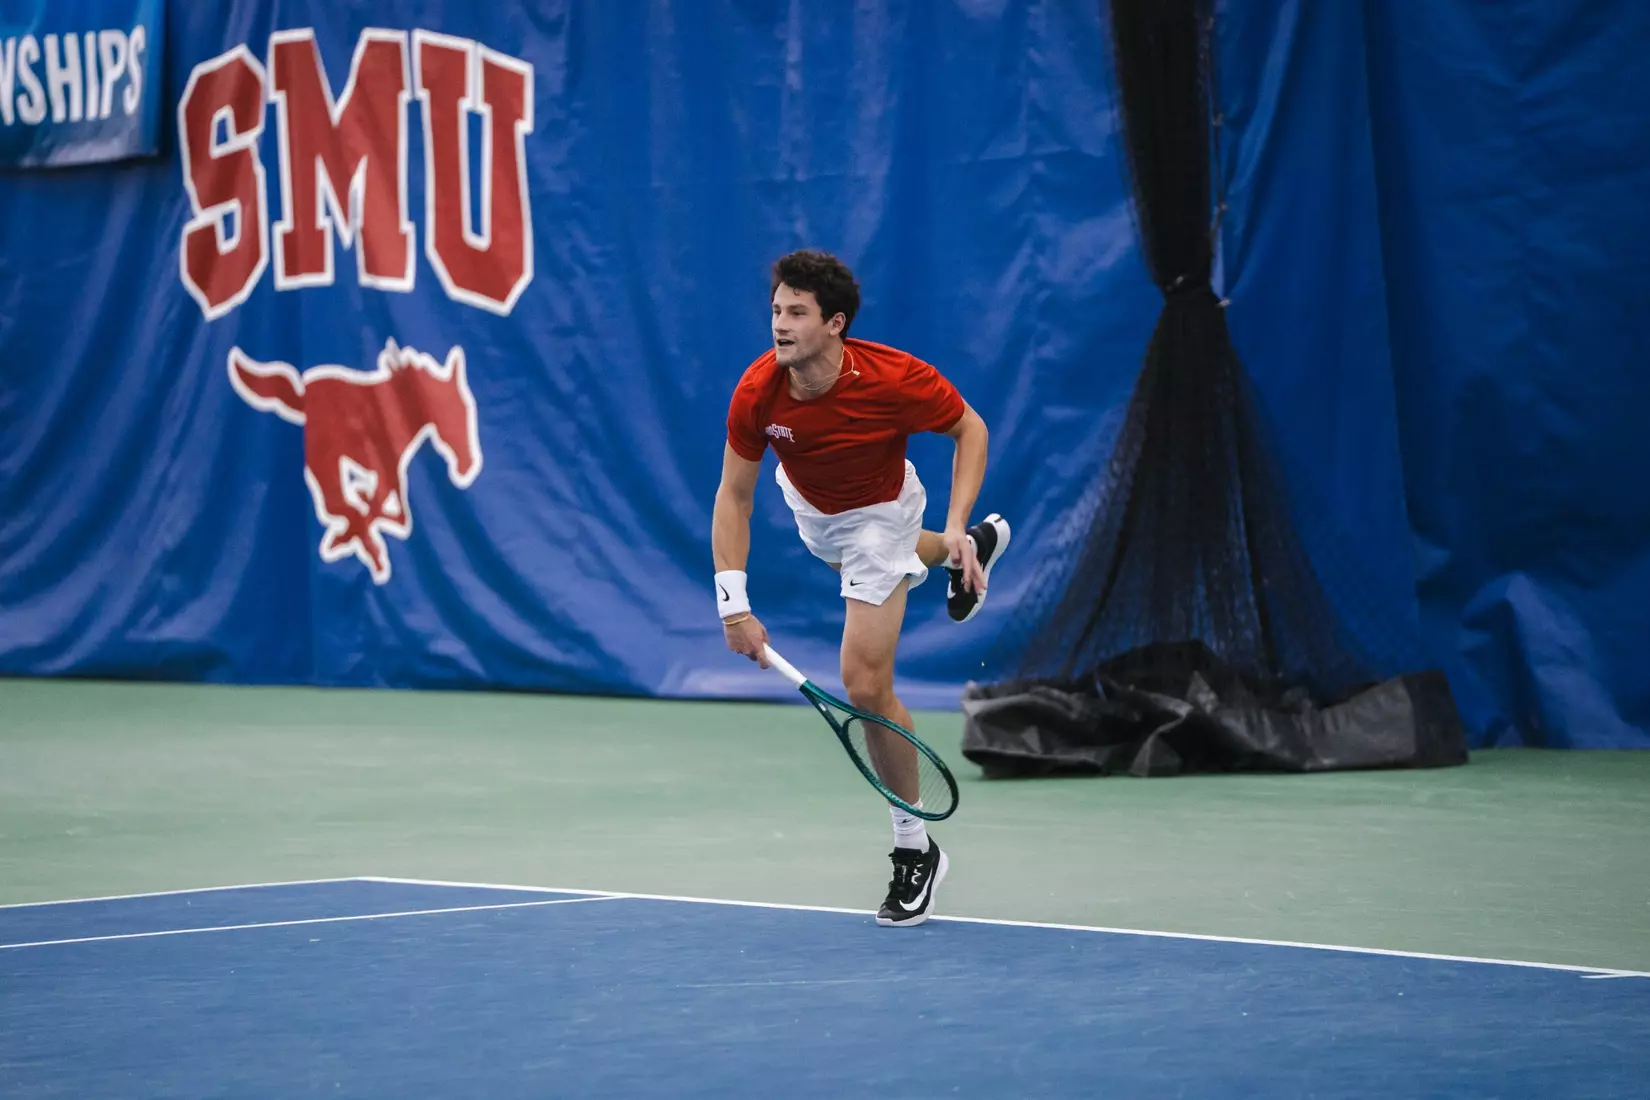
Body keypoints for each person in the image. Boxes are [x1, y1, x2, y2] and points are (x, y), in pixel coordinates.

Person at [710, 249, 1012, 928]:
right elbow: (733, 496)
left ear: (835, 323)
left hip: (882, 515)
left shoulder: (893, 379)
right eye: (776, 311)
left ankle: (914, 847)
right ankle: (970, 555)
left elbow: (970, 428)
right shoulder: (760, 391)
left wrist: (955, 517)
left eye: (796, 313)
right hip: (813, 508)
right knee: (870, 558)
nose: (780, 325)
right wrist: (735, 604)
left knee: (866, 684)